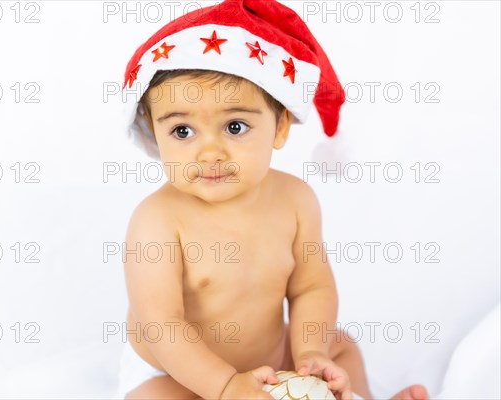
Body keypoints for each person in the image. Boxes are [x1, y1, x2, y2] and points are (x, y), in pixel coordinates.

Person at [118, 1, 430, 399]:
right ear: (154, 134)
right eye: (182, 131)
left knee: (342, 346)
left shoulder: (295, 200)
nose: (209, 152)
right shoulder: (156, 221)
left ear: (280, 126)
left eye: (235, 126)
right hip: (179, 373)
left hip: (273, 359)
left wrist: (310, 354)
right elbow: (161, 325)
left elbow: (311, 288)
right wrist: (226, 386)